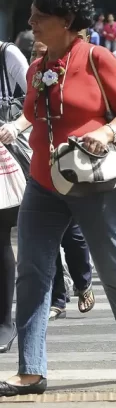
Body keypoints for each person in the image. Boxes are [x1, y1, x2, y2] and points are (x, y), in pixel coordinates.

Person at [0, 0, 116, 398]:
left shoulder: (97, 58)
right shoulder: (36, 68)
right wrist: (15, 125)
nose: (31, 20)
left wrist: (107, 133)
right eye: (32, 14)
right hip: (41, 183)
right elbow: (33, 117)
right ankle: (31, 370)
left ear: (66, 19)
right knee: (33, 272)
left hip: (93, 184)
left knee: (113, 270)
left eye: (40, 15)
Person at [0, 41, 29, 356]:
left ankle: (5, 322)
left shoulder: (7, 54)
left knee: (2, 237)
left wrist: (16, 125)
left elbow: (39, 99)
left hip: (7, 162)